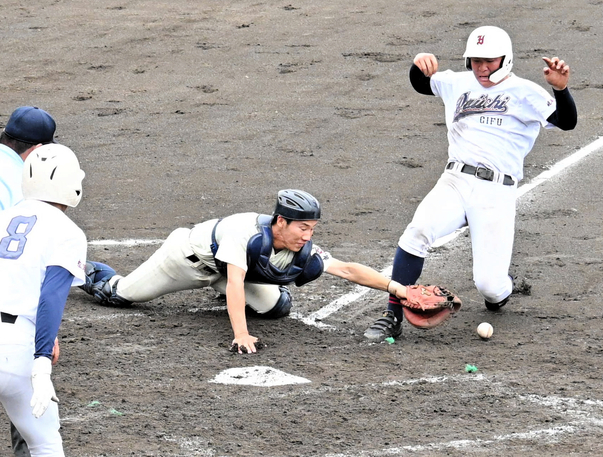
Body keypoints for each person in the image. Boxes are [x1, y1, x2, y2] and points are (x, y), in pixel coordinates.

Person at [364, 25, 577, 342]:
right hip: (455, 181)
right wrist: (419, 63)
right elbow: (422, 83)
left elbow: (567, 121)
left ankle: (502, 291)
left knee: (489, 286)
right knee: (418, 231)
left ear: (505, 59)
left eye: (489, 60)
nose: (482, 67)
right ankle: (391, 316)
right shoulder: (457, 83)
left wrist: (560, 90)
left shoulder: (526, 92)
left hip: (496, 192)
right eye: (476, 60)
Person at [81, 189, 408, 353]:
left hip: (226, 272)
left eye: (313, 229)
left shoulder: (298, 244)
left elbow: (348, 270)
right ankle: (78, 267)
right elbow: (236, 282)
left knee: (278, 307)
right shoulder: (245, 232)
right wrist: (240, 334)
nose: (308, 236)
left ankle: (228, 291)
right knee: (121, 293)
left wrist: (399, 290)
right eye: (303, 228)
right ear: (281, 221)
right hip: (186, 260)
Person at [0, 143, 87, 456]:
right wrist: (41, 367)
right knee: (46, 445)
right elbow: (51, 297)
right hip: (17, 349)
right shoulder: (68, 232)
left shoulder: (4, 218)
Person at [1, 106, 58, 457]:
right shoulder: (25, 180)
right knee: (32, 413)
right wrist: (45, 334)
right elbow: (27, 262)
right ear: (37, 150)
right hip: (10, 319)